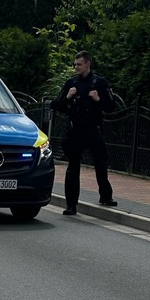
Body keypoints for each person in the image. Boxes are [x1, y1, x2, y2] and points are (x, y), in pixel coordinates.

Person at [51, 50, 117, 216]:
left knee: (100, 163)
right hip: (76, 130)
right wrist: (67, 96)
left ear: (88, 64)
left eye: (79, 64)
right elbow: (57, 106)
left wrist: (98, 100)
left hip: (93, 129)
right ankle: (71, 204)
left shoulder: (99, 83)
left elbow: (111, 107)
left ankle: (105, 196)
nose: (76, 67)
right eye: (75, 64)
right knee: (73, 167)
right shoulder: (71, 83)